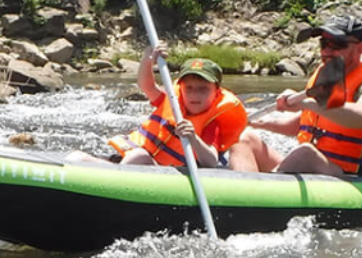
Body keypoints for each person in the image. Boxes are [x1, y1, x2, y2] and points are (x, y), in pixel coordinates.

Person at [229, 15, 362, 176]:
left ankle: (264, 197)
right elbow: (302, 125)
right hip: (319, 169)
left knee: (305, 154)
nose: (327, 51)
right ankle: (241, 201)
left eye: (337, 44)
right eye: (324, 43)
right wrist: (258, 123)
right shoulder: (328, 75)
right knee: (244, 139)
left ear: (360, 48)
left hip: (351, 176)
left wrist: (308, 103)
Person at [90, 45, 249, 168]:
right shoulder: (171, 101)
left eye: (203, 89)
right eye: (189, 88)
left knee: (139, 156)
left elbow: (211, 162)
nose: (195, 95)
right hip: (131, 160)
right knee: (77, 158)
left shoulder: (211, 124)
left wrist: (193, 137)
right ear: (181, 89)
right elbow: (147, 85)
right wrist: (147, 60)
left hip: (162, 171)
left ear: (217, 92)